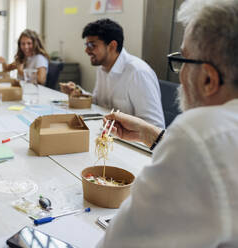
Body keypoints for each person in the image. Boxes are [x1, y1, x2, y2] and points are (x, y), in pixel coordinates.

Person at [98, 0, 238, 247]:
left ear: (208, 79)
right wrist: (152, 135)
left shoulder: (201, 133)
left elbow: (120, 243)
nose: (180, 74)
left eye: (183, 60)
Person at [60, 19, 165, 128]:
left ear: (112, 46)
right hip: (108, 132)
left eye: (92, 45)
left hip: (130, 141)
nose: (86, 50)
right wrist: (78, 92)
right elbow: (98, 102)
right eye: (86, 44)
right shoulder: (102, 68)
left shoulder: (138, 72)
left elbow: (155, 126)